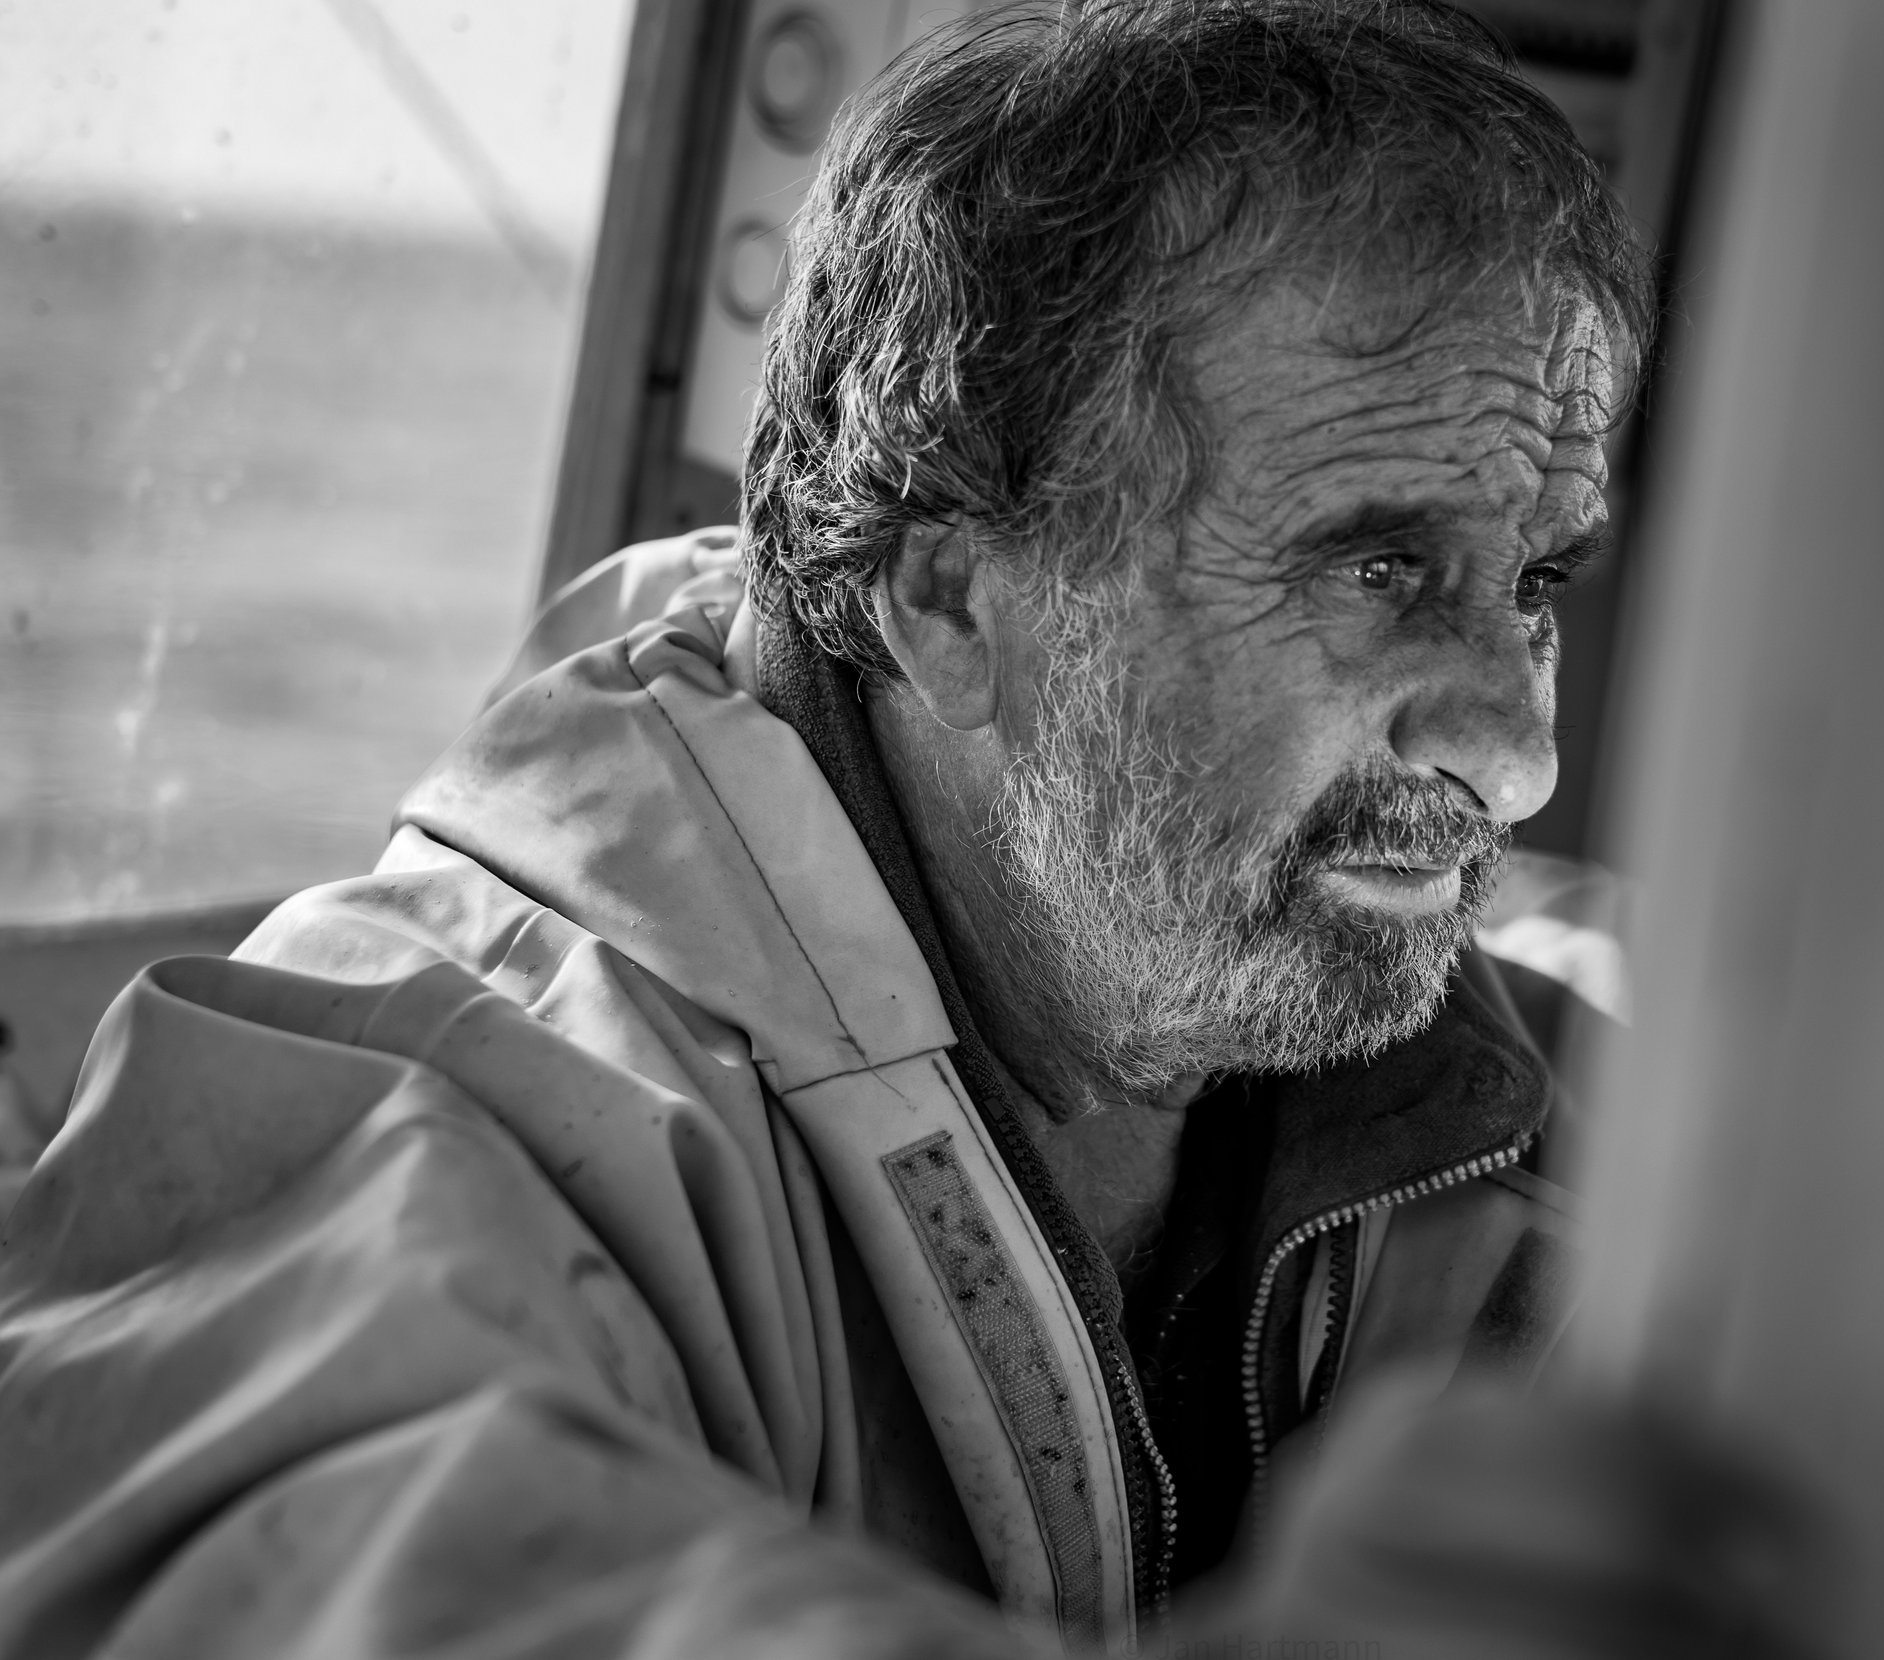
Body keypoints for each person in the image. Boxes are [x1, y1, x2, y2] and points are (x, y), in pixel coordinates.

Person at [0, 3, 1766, 1654]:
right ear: (950, 598)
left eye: (1530, 581)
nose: (1519, 748)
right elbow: (239, 1546)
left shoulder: (1547, 1103)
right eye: (1378, 569)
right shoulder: (444, 1082)